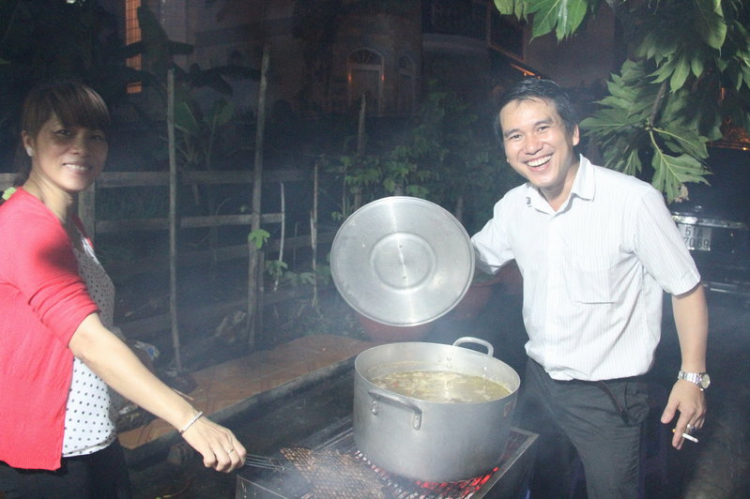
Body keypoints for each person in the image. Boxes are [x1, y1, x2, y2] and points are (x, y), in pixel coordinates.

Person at [0, 80, 247, 498]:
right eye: (63, 133)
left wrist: (140, 359)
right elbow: (87, 338)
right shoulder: (27, 226)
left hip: (92, 434)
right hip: (52, 455)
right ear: (29, 141)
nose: (81, 148)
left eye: (94, 136)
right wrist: (189, 419)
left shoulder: (67, 225)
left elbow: (75, 328)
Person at [471, 78, 708, 498]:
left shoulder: (632, 202)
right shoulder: (513, 207)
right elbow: (470, 263)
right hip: (539, 384)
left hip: (609, 397)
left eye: (543, 128)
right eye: (515, 135)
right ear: (506, 149)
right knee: (543, 489)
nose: (531, 145)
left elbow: (686, 288)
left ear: (573, 132)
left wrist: (692, 378)